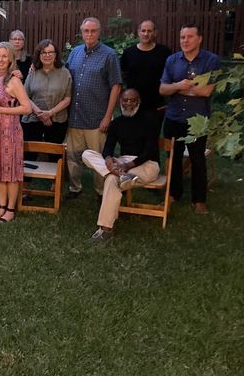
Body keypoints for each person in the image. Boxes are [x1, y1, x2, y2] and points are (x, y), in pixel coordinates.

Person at [82, 89, 161, 241]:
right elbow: (108, 148)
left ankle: (105, 228)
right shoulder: (116, 123)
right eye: (125, 100)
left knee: (111, 180)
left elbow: (150, 151)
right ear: (120, 102)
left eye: (132, 100)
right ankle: (106, 229)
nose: (128, 103)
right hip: (123, 164)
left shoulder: (149, 120)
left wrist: (129, 165)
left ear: (138, 102)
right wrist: (109, 160)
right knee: (87, 154)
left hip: (146, 164)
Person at [160, 24, 220, 214]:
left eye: (189, 37)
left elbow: (207, 90)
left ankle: (199, 199)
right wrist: (178, 85)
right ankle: (174, 193)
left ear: (199, 38)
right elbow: (163, 89)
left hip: (197, 120)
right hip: (174, 117)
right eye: (182, 37)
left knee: (197, 159)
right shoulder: (172, 60)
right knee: (173, 158)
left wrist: (179, 88)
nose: (185, 41)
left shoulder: (211, 60)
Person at [65, 17, 122, 199]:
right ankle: (75, 188)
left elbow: (116, 86)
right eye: (86, 31)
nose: (89, 34)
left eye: (93, 31)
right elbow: (63, 75)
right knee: (73, 157)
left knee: (98, 159)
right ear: (82, 33)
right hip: (75, 117)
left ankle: (100, 191)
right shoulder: (74, 53)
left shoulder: (109, 55)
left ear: (99, 32)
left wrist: (108, 116)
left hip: (97, 118)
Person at [0, 42, 33, 222]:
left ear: (11, 58)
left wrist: (1, 110)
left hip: (9, 133)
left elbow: (27, 108)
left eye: (4, 56)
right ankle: (2, 206)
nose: (0, 59)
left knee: (10, 171)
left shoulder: (14, 81)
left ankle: (11, 208)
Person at [21, 39, 72, 156]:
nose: (47, 55)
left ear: (56, 55)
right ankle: (29, 175)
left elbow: (67, 98)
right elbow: (25, 96)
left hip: (57, 120)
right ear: (39, 55)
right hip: (32, 119)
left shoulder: (65, 73)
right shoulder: (33, 72)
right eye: (43, 52)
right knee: (29, 157)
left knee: (55, 158)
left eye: (50, 52)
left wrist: (50, 113)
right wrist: (41, 114)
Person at [120, 20, 171, 120]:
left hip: (156, 104)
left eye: (149, 31)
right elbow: (121, 76)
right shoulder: (129, 53)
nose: (146, 34)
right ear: (138, 32)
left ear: (155, 33)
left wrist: (167, 102)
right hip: (132, 103)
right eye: (143, 31)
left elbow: (171, 77)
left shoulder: (164, 52)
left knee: (152, 134)